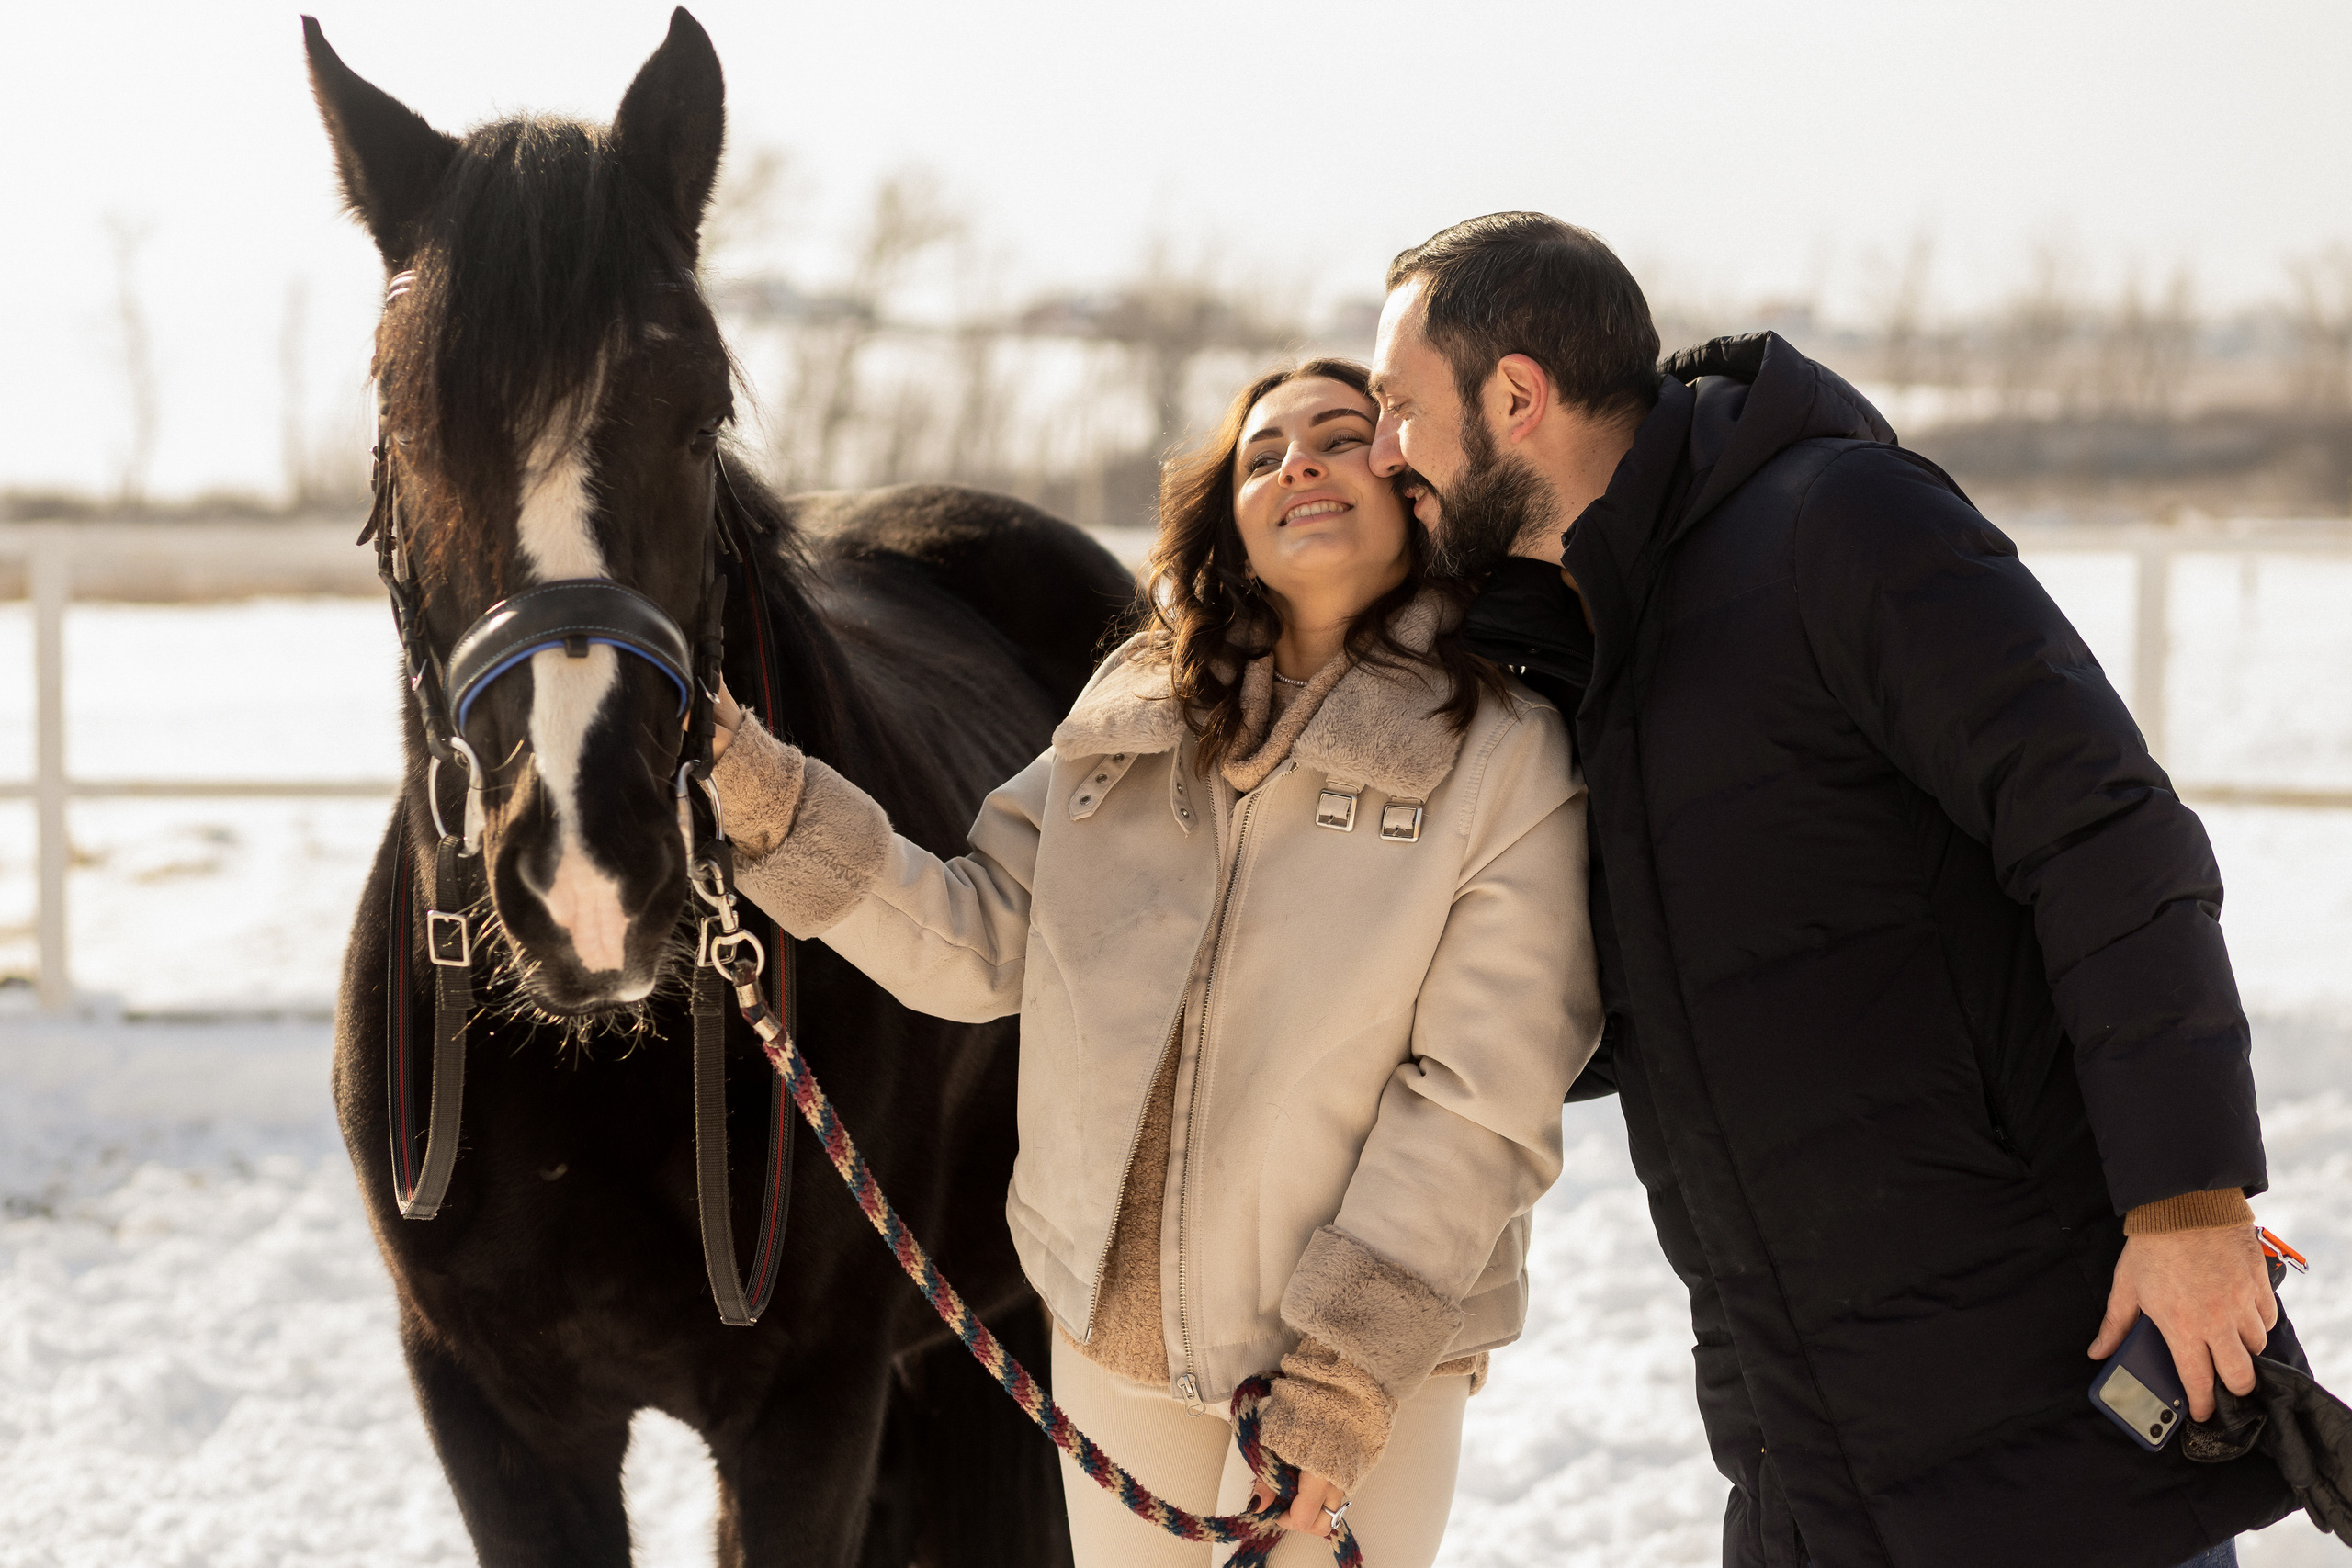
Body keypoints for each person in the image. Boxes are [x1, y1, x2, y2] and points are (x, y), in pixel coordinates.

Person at [1364, 212, 2306, 1568]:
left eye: (1399, 406)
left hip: (2042, 1410)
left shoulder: (1839, 526)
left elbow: (2108, 838)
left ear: (1516, 396)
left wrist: (2190, 1204)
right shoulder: (1581, 658)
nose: (1384, 451)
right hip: (1805, 1451)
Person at [705, 358, 1602, 1566]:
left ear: (1411, 487)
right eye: (1263, 454)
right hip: (1115, 1346)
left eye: (1340, 436)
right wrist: (771, 802)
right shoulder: (1135, 711)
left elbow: (1480, 1100)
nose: (1299, 463)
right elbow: (977, 938)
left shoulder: (1500, 751)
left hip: (1343, 1364)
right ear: (1229, 514)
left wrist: (1342, 1377)